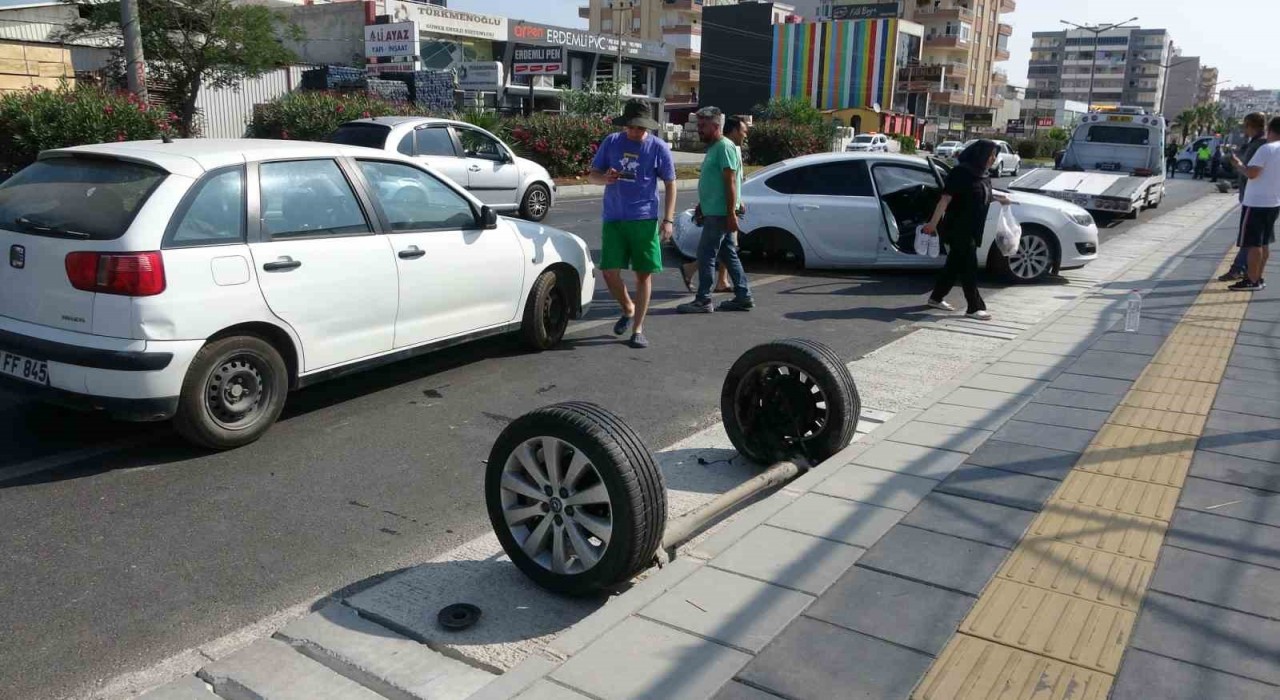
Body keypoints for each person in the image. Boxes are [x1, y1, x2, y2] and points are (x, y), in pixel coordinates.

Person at [587, 99, 678, 348]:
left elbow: (671, 184)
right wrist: (605, 178)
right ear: (625, 124)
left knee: (643, 274)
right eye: (632, 126)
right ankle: (628, 307)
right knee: (609, 271)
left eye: (641, 127)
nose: (636, 131)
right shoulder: (612, 142)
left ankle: (637, 328)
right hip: (614, 217)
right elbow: (593, 175)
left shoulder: (658, 147)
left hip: (644, 219)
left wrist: (668, 219)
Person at [921, 140, 1011, 320]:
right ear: (980, 154)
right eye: (991, 154)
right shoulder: (961, 172)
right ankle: (974, 307)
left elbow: (980, 194)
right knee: (969, 267)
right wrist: (932, 224)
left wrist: (1000, 199)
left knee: (954, 265)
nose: (993, 158)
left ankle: (936, 298)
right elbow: (944, 200)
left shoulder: (983, 174)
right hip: (958, 228)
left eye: (995, 155)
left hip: (974, 228)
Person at [678, 106, 753, 313]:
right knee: (728, 254)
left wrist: (730, 214)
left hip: (720, 214)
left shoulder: (724, 147)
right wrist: (703, 205)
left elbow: (730, 182)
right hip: (715, 211)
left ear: (716, 126)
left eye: (703, 126)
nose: (699, 130)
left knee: (706, 253)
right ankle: (743, 296)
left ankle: (703, 300)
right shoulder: (714, 148)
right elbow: (715, 182)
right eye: (699, 125)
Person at [1230, 115, 1280, 291]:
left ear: (1270, 130)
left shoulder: (1267, 149)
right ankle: (1258, 277)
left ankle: (1251, 279)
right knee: (1264, 242)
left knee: (1253, 244)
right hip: (1274, 202)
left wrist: (1237, 164)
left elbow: (1252, 173)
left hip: (1256, 202)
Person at [1222, 112, 1269, 282]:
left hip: (1255, 198)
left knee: (1251, 238)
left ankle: (1242, 271)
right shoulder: (1261, 143)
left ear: (1250, 125)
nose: (1244, 129)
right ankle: (1252, 274)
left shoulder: (1260, 145)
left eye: (1245, 126)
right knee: (1259, 239)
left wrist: (1238, 165)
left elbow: (1251, 171)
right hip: (1264, 198)